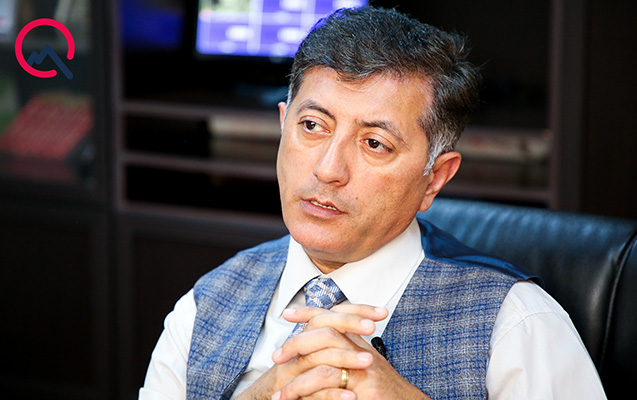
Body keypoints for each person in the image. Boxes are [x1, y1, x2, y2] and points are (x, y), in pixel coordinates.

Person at [140, 7, 606, 400]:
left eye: (375, 143)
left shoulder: (518, 324)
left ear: (434, 178)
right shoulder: (205, 305)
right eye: (312, 126)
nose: (328, 169)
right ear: (283, 126)